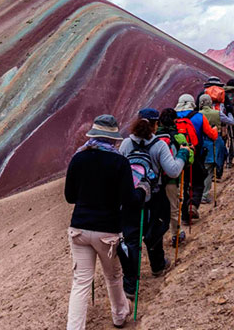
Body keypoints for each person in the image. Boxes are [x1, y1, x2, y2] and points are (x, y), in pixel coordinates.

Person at [65, 114, 145, 329]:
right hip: (107, 231)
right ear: (113, 138)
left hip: (79, 229)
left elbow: (70, 197)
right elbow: (129, 201)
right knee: (113, 275)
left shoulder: (78, 158)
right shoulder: (119, 161)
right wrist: (142, 191)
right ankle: (119, 316)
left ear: (93, 134)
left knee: (81, 282)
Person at [118, 108, 189, 295]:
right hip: (153, 196)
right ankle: (157, 265)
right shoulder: (159, 145)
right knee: (155, 231)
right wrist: (182, 155)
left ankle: (131, 284)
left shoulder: (126, 143)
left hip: (130, 197)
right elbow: (173, 171)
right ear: (155, 124)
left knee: (132, 239)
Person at [174, 94, 217, 221]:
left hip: (176, 155)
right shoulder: (199, 117)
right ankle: (193, 205)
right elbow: (212, 135)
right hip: (195, 154)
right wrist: (215, 129)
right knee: (198, 181)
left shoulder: (173, 117)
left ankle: (184, 213)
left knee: (183, 184)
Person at [155, 108, 188, 246]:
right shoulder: (178, 137)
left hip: (154, 179)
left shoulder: (153, 136)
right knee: (174, 206)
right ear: (175, 120)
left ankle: (156, 237)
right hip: (171, 178)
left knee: (157, 209)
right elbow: (189, 157)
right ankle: (176, 234)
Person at [198, 94, 228, 204]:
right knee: (210, 170)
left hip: (202, 143)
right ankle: (204, 195)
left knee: (203, 168)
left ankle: (200, 194)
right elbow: (230, 122)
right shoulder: (217, 113)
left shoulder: (198, 115)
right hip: (215, 142)